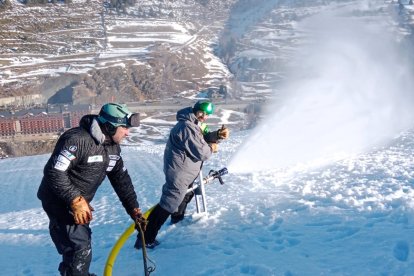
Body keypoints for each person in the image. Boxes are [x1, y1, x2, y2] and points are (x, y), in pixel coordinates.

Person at [37, 103, 146, 276]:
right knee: (78, 248)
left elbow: (120, 179)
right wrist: (75, 199)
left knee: (81, 243)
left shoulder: (112, 148)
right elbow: (54, 172)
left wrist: (133, 208)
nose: (127, 132)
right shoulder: (77, 140)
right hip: (58, 200)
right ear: (109, 127)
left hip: (79, 202)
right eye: (124, 127)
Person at [135, 100, 230, 249]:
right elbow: (202, 152)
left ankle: (176, 219)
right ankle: (146, 238)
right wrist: (212, 147)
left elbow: (202, 139)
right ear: (195, 110)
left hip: (184, 171)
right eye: (202, 113)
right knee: (167, 204)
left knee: (184, 195)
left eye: (207, 115)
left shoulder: (192, 124)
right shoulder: (187, 127)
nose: (204, 117)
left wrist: (216, 135)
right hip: (179, 172)